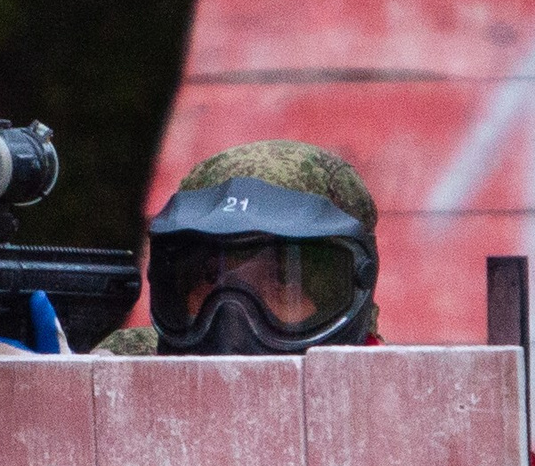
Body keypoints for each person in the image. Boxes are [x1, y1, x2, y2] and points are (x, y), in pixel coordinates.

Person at [97, 140, 381, 355]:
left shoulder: (392, 407)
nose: (232, 323)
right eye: (210, 279)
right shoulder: (127, 378)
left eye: (281, 280)